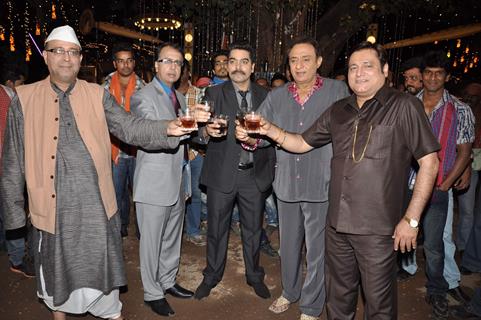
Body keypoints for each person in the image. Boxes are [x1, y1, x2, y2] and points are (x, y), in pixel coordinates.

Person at [0, 25, 201, 320]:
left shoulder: (97, 94)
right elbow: (12, 162)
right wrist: (15, 218)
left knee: (102, 279)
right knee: (57, 279)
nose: (66, 59)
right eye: (58, 51)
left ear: (81, 59)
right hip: (51, 210)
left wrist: (167, 128)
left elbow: (130, 127)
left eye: (73, 52)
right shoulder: (24, 99)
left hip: (96, 207)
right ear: (46, 57)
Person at [255, 41, 440, 319]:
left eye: (368, 66)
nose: (359, 73)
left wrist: (411, 220)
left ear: (385, 70)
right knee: (338, 301)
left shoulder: (403, 106)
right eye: (353, 67)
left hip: (378, 228)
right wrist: (270, 129)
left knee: (379, 306)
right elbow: (301, 143)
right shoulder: (339, 109)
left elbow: (430, 163)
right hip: (337, 225)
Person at [238, 36, 349, 320]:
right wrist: (247, 137)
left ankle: (312, 305)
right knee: (288, 245)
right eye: (293, 60)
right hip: (286, 182)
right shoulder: (277, 96)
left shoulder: (339, 91)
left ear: (319, 62)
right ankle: (290, 291)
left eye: (306, 59)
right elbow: (261, 135)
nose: (299, 66)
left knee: (317, 250)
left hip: (321, 183)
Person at [194, 43, 275, 301]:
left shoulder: (267, 96)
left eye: (243, 61)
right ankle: (211, 276)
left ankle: (254, 276)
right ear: (227, 66)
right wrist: (206, 132)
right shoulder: (213, 93)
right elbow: (198, 130)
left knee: (253, 230)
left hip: (254, 174)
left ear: (252, 67)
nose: (237, 67)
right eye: (233, 61)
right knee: (217, 229)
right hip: (221, 174)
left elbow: (275, 133)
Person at [131, 42, 200, 317]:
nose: (173, 67)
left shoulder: (180, 98)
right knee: (151, 241)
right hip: (153, 181)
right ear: (156, 65)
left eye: (178, 63)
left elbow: (188, 134)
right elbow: (150, 134)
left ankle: (168, 280)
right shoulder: (142, 96)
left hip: (178, 177)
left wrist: (202, 127)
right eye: (167, 61)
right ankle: (152, 292)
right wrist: (189, 124)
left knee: (172, 236)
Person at [415, 51, 474, 318]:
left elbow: (464, 151)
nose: (433, 77)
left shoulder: (460, 109)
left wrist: (445, 185)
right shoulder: (408, 104)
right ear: (422, 74)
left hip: (437, 187)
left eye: (439, 73)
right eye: (428, 72)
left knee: (434, 244)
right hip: (404, 185)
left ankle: (436, 290)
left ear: (447, 77)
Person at [103, 42, 145, 238]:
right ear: (114, 63)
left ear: (134, 63)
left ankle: (141, 230)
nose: (125, 65)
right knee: (117, 194)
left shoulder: (143, 87)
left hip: (138, 151)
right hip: (115, 150)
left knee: (140, 195)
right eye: (121, 61)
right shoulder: (104, 86)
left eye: (129, 60)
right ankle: (120, 228)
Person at [0, 70, 34, 278]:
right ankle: (18, 259)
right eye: (20, 83)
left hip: (7, 163)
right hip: (8, 165)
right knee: (13, 210)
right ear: (10, 83)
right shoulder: (8, 99)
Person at [457, 82, 481, 274]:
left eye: (475, 96)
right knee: (464, 208)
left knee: (469, 209)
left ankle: (465, 250)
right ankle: (461, 248)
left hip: (472, 159)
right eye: (469, 94)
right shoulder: (459, 109)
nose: (471, 98)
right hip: (465, 160)